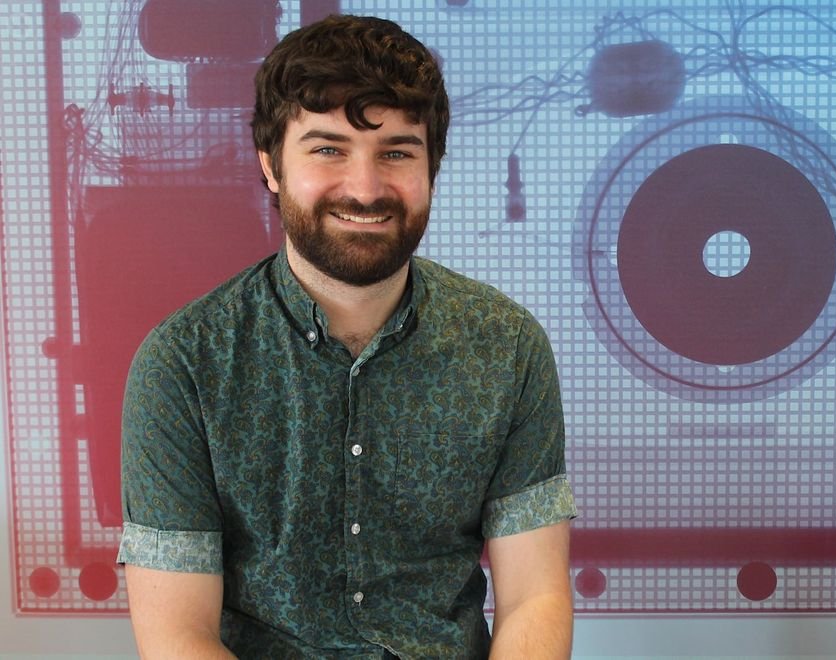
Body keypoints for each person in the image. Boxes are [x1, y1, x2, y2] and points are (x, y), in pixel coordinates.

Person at [116, 13, 578, 660]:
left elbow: (535, 596)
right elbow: (177, 634)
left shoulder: (507, 347)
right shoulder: (184, 363)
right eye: (328, 150)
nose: (365, 189)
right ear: (272, 166)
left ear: (432, 168)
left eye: (397, 152)